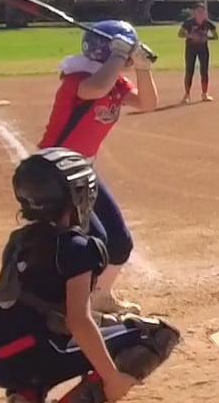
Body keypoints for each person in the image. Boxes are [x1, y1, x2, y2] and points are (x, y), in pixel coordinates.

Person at [0, 149, 182, 403]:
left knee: (35, 325)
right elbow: (78, 321)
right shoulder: (76, 247)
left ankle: (24, 400)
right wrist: (111, 377)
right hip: (35, 356)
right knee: (156, 335)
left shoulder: (19, 241)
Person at [37, 21, 158, 338]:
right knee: (91, 244)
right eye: (127, 49)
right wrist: (118, 57)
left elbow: (148, 104)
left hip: (83, 171)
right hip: (56, 173)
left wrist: (142, 69)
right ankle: (73, 313)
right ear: (109, 51)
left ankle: (100, 297)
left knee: (119, 242)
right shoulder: (77, 79)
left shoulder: (115, 82)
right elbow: (96, 90)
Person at [178, 3, 218, 103]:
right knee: (189, 70)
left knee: (204, 71)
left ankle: (205, 93)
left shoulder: (208, 23)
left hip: (203, 49)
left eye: (203, 11)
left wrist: (207, 38)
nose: (201, 13)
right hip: (190, 49)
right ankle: (187, 94)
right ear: (194, 12)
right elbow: (180, 34)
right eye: (198, 11)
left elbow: (216, 36)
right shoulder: (188, 23)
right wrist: (191, 36)